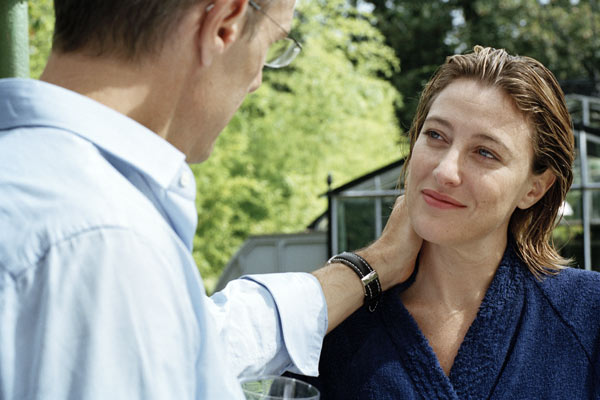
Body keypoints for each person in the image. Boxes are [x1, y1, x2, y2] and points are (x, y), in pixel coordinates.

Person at [0, 0, 422, 399]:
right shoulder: (106, 247)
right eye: (272, 45)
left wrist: (376, 263)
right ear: (224, 23)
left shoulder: (39, 188)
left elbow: (196, 340)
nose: (257, 81)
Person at [307, 46, 600, 399]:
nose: (445, 171)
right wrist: (375, 263)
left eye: (485, 152)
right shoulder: (335, 322)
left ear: (535, 189)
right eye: (436, 136)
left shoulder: (588, 315)